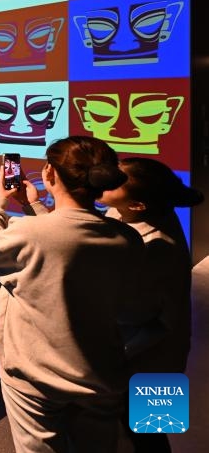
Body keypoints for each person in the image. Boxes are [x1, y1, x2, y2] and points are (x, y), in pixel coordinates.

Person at [0, 136, 144, 453]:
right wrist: (32, 205)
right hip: (100, 375)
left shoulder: (27, 232)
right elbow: (61, 238)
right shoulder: (127, 237)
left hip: (34, 377)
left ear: (49, 174)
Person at [99, 157, 203, 452]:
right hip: (135, 354)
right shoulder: (128, 214)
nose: (102, 179)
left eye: (114, 180)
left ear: (137, 205)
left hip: (156, 360)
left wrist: (116, 355)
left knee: (151, 433)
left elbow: (158, 321)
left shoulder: (159, 247)